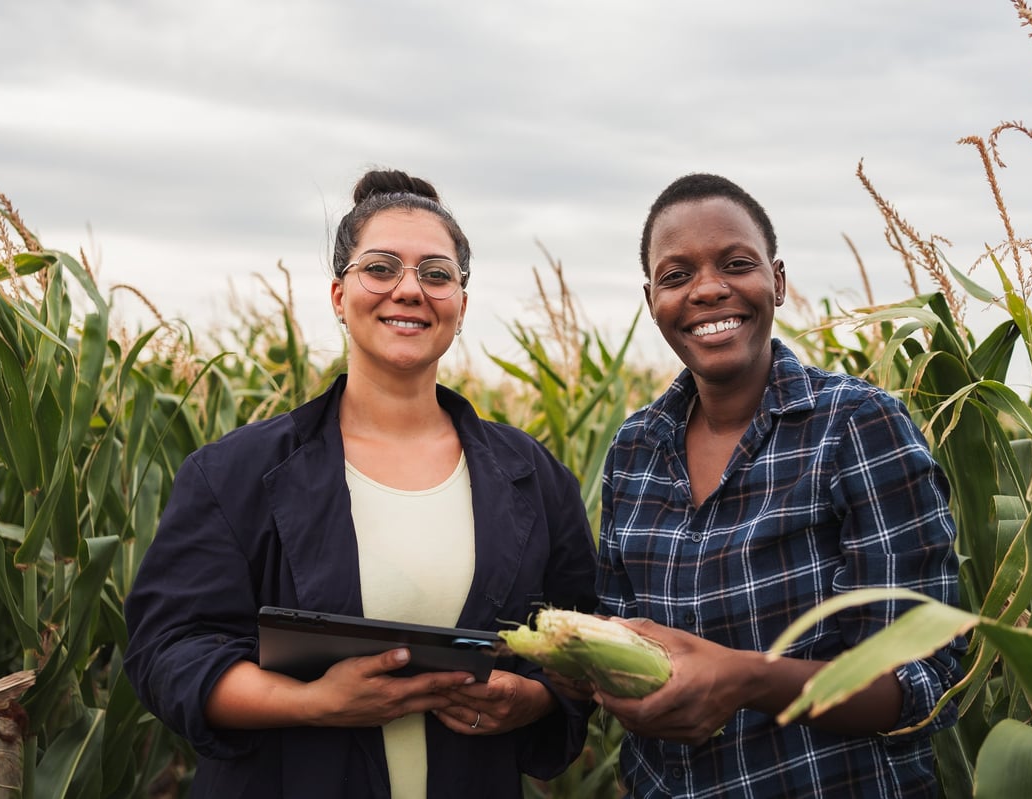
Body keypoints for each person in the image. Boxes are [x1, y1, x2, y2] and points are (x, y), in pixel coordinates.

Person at [123, 169, 598, 798]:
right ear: (337, 295)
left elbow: (580, 641)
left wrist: (531, 699)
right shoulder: (233, 474)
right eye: (380, 268)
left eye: (436, 273)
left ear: (460, 302)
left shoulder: (533, 476)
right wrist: (313, 704)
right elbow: (169, 651)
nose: (409, 290)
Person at [587, 173, 964, 798]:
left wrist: (747, 680)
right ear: (651, 298)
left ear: (778, 281)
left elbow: (925, 682)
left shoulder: (857, 426)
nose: (707, 289)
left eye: (736, 264)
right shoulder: (633, 449)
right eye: (676, 276)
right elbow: (622, 636)